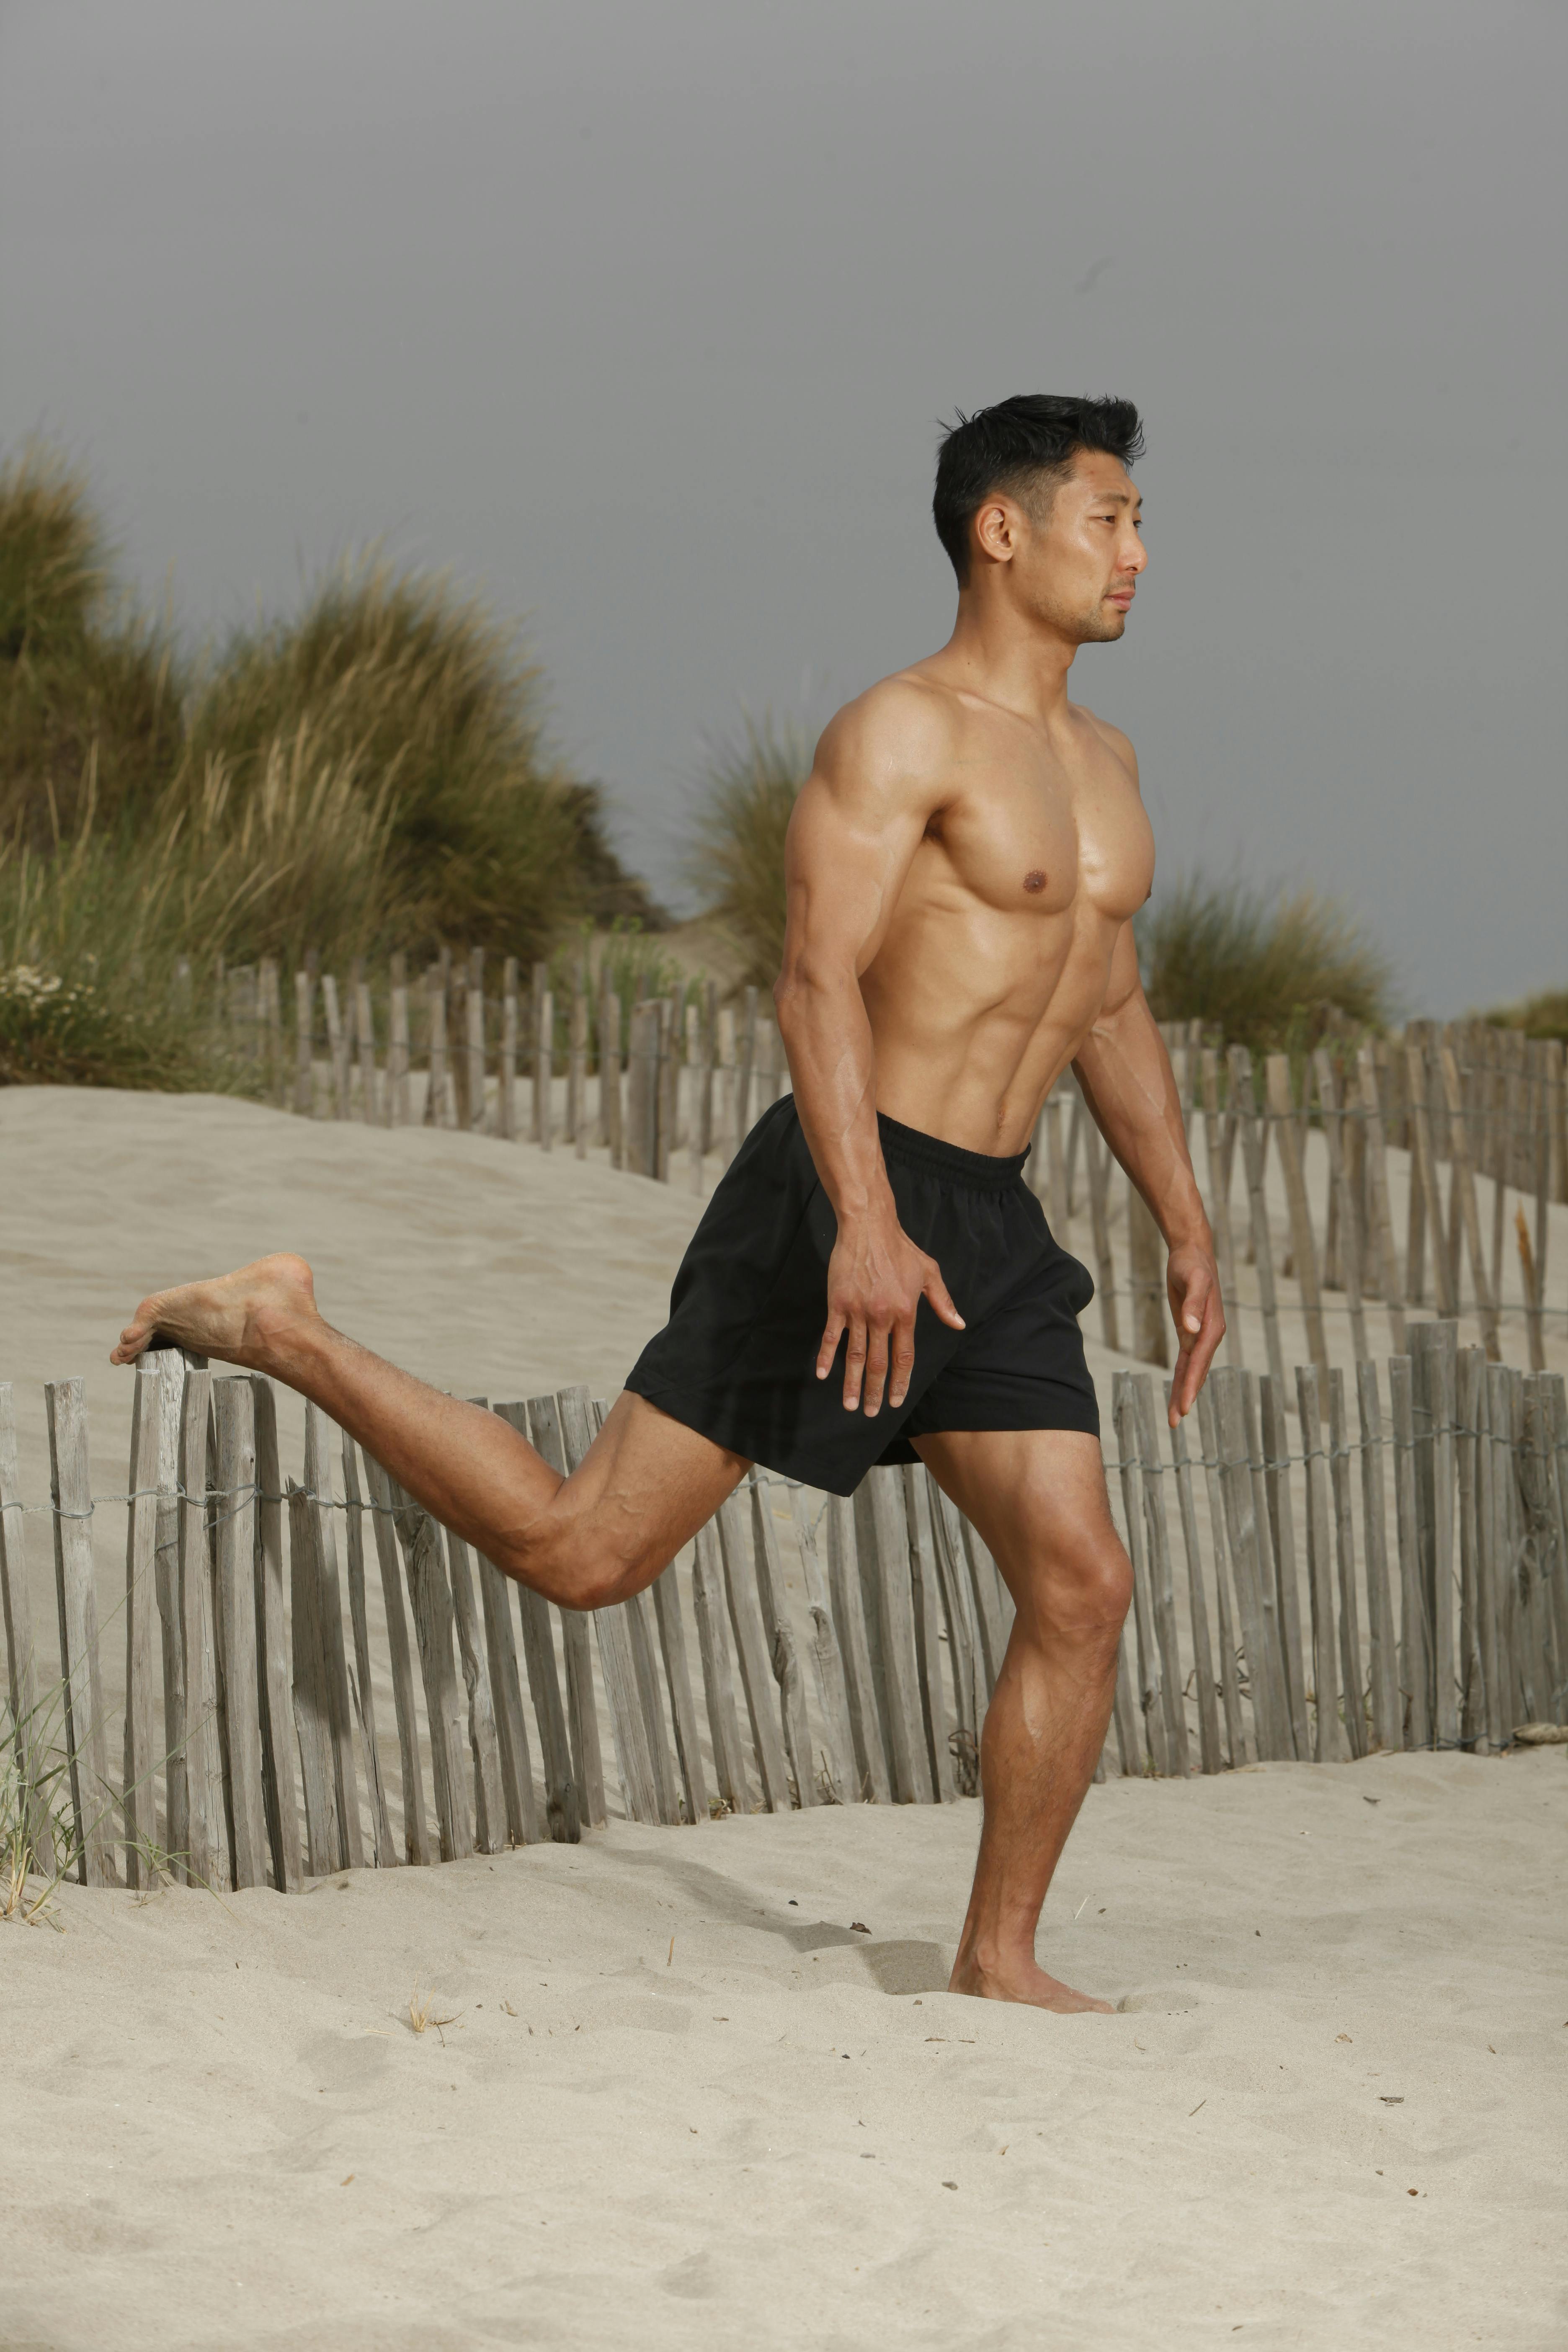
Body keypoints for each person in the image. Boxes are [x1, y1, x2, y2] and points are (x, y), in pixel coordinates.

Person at [112, 393, 1224, 2013]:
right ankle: (282, 1327)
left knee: (1083, 1580)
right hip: (845, 1191)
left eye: (1136, 523)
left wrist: (1183, 1221)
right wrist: (858, 1215)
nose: (1138, 551)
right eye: (1109, 518)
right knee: (586, 1552)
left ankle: (997, 1956)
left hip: (990, 1220)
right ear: (1006, 530)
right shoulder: (899, 734)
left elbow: (1109, 1004)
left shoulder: (1108, 765)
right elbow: (815, 982)